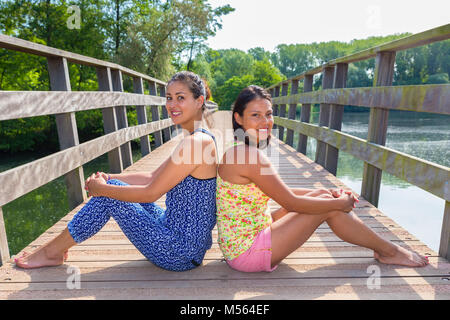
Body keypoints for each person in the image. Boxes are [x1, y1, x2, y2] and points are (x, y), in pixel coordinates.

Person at [15, 71, 218, 272]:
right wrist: (109, 177)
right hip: (177, 235)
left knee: (109, 194)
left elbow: (151, 192)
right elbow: (151, 177)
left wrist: (103, 189)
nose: (172, 105)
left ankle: (52, 252)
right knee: (112, 187)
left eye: (180, 98)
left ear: (199, 101)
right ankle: (55, 249)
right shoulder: (197, 138)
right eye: (169, 98)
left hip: (179, 252)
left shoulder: (196, 143)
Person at [216, 85, 429, 273]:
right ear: (238, 118)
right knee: (329, 207)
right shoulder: (248, 155)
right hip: (246, 252)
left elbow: (281, 191)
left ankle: (385, 249)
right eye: (256, 115)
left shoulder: (241, 149)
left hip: (245, 238)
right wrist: (339, 203)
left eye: (269, 114)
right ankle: (389, 251)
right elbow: (290, 202)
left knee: (322, 196)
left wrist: (327, 194)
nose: (265, 122)